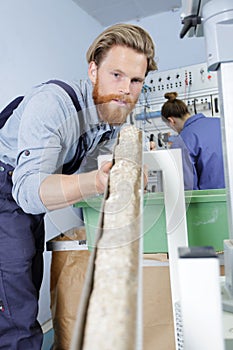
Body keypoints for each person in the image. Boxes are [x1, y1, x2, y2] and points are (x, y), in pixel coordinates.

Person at [0, 23, 157, 349]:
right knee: (15, 310)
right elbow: (29, 193)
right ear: (93, 70)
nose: (126, 90)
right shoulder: (53, 104)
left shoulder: (112, 118)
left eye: (136, 80)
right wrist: (98, 181)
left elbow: (94, 168)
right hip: (8, 190)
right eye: (116, 75)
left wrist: (124, 171)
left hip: (27, 202)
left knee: (27, 281)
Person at [161, 92, 225, 190]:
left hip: (212, 202)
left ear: (171, 121)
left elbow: (188, 189)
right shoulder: (221, 123)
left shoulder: (181, 142)